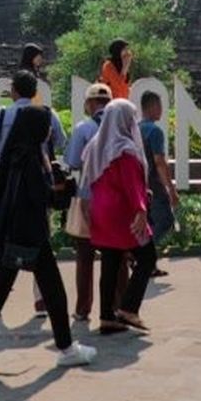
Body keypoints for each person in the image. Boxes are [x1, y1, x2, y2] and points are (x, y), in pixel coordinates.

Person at [0, 106, 96, 372]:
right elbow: (40, 196)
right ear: (36, 128)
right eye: (47, 124)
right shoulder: (29, 157)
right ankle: (66, 349)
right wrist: (65, 190)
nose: (51, 129)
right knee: (48, 293)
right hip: (28, 236)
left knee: (4, 294)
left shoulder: (15, 153)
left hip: (14, 233)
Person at [0, 70, 67, 315]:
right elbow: (61, 142)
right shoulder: (48, 114)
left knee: (4, 241)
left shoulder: (1, 115)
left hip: (7, 184)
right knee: (41, 238)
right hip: (39, 183)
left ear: (13, 91)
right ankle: (41, 300)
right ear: (35, 92)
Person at [83, 99, 158, 334]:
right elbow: (132, 184)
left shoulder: (97, 145)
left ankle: (107, 316)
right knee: (147, 258)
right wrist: (141, 209)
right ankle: (128, 308)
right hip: (123, 212)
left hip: (100, 210)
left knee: (110, 262)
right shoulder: (124, 148)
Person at [62, 82, 125, 321]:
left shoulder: (83, 128)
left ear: (89, 104)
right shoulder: (122, 126)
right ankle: (120, 306)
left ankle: (83, 308)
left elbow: (73, 162)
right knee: (118, 256)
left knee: (85, 256)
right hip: (117, 199)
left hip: (88, 196)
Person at [139, 91, 178, 277]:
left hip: (138, 185)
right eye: (160, 106)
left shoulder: (136, 129)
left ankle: (150, 265)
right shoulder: (155, 131)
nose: (162, 110)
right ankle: (141, 255)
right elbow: (159, 162)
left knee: (148, 223)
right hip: (154, 185)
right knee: (165, 220)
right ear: (153, 107)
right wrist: (171, 189)